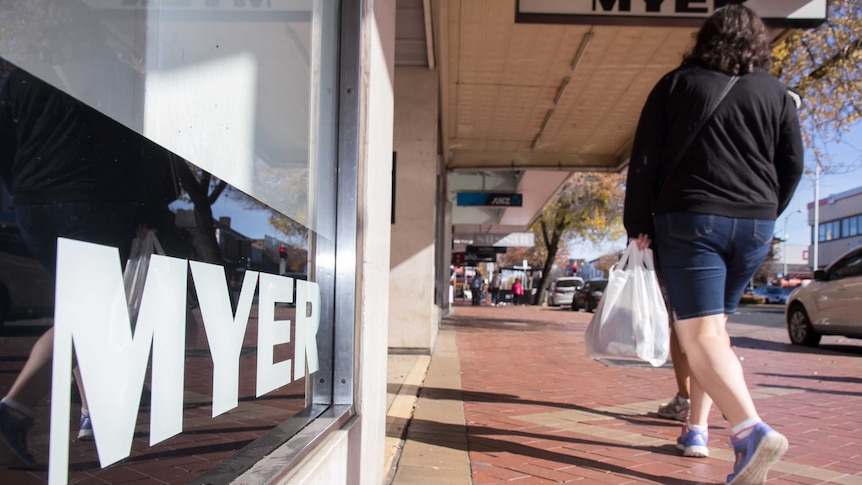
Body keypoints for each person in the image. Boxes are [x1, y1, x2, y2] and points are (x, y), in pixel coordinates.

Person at [623, 6, 803, 484]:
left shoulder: (677, 84)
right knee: (713, 332)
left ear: (706, 38)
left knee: (697, 333)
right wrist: (764, 212)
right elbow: (792, 165)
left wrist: (638, 222)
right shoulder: (777, 93)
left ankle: (750, 430)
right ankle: (697, 429)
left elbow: (644, 160)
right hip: (755, 225)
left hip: (691, 220)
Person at [0, 61, 146, 467]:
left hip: (33, 204)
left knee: (78, 310)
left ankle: (91, 413)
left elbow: (5, 142)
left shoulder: (19, 79)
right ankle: (16, 407)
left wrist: (24, 191)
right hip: (88, 201)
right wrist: (145, 206)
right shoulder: (105, 72)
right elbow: (129, 145)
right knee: (87, 315)